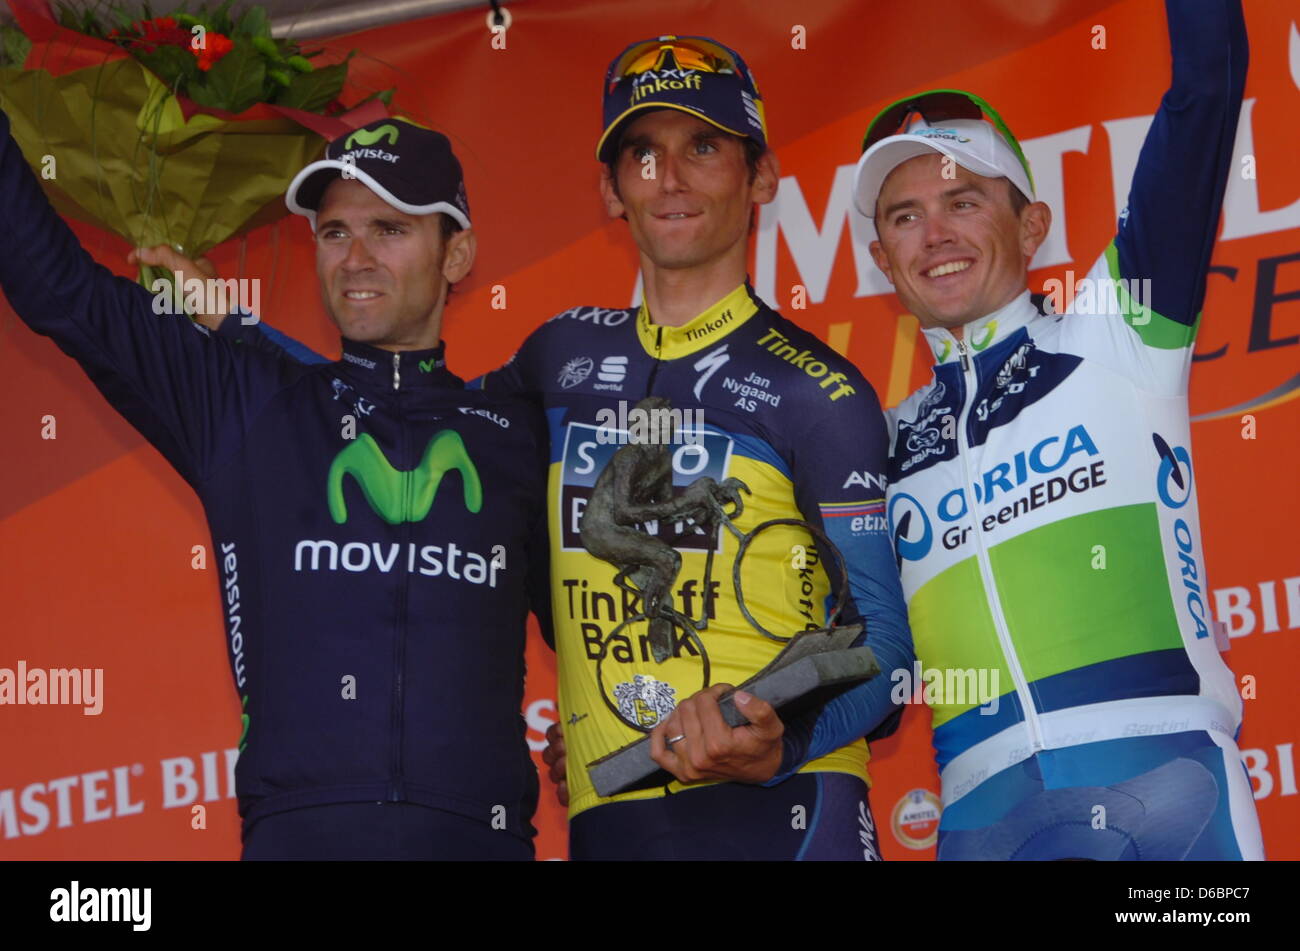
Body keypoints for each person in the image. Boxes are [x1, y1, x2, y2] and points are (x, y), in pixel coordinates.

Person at [0, 112, 552, 859]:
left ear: (458, 255)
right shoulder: (248, 403)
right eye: (334, 232)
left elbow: (592, 637)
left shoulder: (517, 434)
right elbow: (59, 290)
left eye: (389, 230)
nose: (355, 258)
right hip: (299, 835)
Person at [843, 0, 1263, 858]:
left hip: (1165, 778)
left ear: (1031, 224)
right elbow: (850, 659)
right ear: (883, 259)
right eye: (906, 215)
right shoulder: (876, 443)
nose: (937, 235)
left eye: (964, 200)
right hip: (977, 814)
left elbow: (1207, 92)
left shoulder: (1119, 332)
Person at [477, 35, 914, 860]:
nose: (668, 178)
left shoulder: (817, 391)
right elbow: (446, 452)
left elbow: (886, 654)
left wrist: (774, 743)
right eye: (642, 153)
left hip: (784, 813)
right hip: (612, 823)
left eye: (704, 147)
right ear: (610, 190)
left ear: (762, 178)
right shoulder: (556, 358)